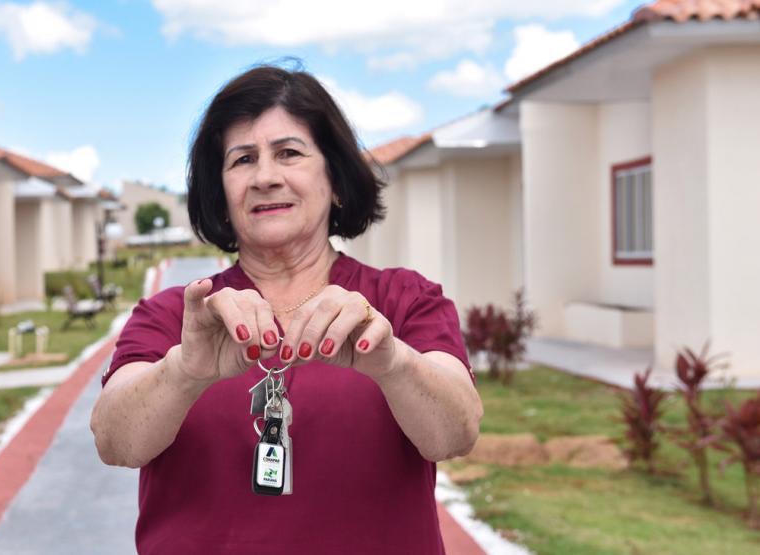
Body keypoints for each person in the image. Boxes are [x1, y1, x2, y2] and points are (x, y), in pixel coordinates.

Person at [90, 65, 483, 554]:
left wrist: (394, 363)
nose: (265, 177)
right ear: (221, 194)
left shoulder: (406, 300)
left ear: (335, 180)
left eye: (289, 153)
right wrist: (183, 372)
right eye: (242, 160)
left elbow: (456, 434)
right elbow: (114, 442)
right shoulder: (177, 315)